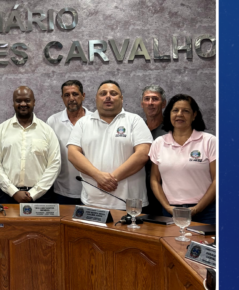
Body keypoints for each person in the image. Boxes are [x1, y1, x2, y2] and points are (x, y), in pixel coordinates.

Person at [67, 80, 152, 210]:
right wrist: (97, 175)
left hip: (130, 203)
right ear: (96, 98)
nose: (108, 96)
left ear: (121, 98)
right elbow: (73, 153)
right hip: (92, 202)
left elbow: (143, 154)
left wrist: (112, 179)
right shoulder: (83, 123)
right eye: (103, 93)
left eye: (113, 93)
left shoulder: (134, 120)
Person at [149, 94, 216, 225]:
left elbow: (217, 180)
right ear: (169, 114)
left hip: (206, 212)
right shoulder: (159, 142)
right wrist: (167, 207)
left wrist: (197, 208)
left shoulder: (209, 141)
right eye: (175, 110)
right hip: (171, 211)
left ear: (194, 115)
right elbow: (154, 179)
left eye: (185, 111)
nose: (179, 114)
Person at [0, 86, 60, 204]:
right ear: (13, 103)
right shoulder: (1, 130)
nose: (23, 104)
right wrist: (13, 191)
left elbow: (55, 165)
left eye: (27, 100)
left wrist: (34, 193)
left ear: (34, 102)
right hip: (7, 195)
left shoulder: (47, 131)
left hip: (41, 197)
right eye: (18, 101)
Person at [46, 80, 90, 205]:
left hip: (92, 192)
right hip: (62, 192)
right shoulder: (53, 121)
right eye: (67, 95)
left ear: (83, 95)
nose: (71, 98)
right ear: (62, 98)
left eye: (75, 94)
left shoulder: (94, 120)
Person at [140, 85, 167, 214]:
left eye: (155, 99)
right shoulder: (136, 128)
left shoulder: (171, 130)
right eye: (147, 99)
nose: (150, 103)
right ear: (142, 104)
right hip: (139, 191)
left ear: (163, 104)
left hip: (164, 192)